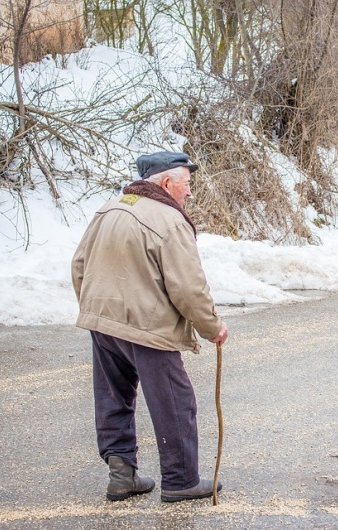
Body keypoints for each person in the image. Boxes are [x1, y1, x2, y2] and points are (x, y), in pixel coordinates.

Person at [71, 151, 228, 503]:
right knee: (175, 402)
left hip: (103, 320)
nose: (189, 194)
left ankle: (122, 476)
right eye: (187, 184)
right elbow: (188, 287)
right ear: (167, 182)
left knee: (114, 397)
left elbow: (79, 264)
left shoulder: (109, 208)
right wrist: (211, 326)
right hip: (146, 326)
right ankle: (181, 481)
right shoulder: (169, 220)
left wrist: (95, 308)